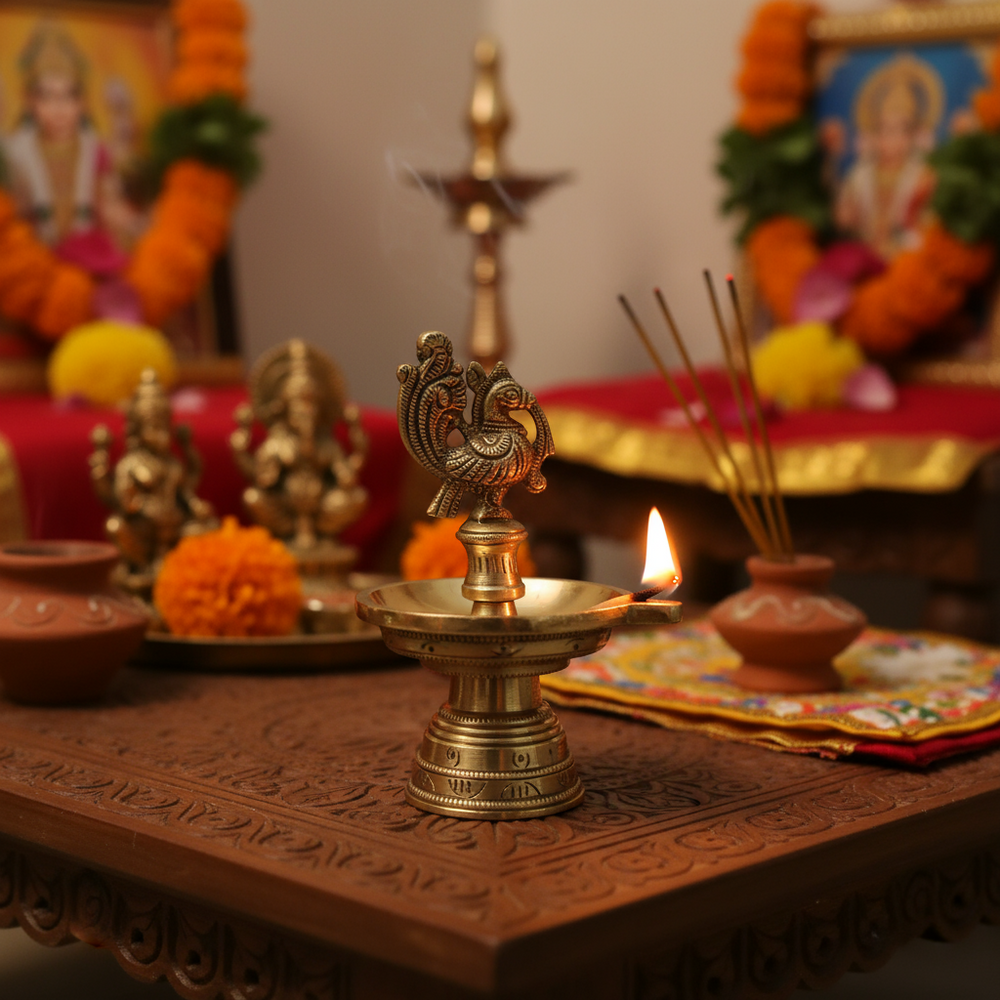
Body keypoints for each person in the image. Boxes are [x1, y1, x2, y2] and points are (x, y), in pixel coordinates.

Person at [3, 22, 139, 266]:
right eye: (47, 96)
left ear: (83, 103)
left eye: (67, 96)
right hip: (29, 261)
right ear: (30, 102)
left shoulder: (96, 150)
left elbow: (109, 204)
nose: (58, 108)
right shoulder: (16, 154)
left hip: (89, 261)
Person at [832, 54, 943, 261]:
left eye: (904, 130)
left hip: (907, 261)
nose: (896, 139)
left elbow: (928, 225)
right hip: (862, 259)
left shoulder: (923, 176)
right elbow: (845, 222)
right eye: (888, 130)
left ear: (913, 135)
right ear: (876, 134)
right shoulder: (859, 176)